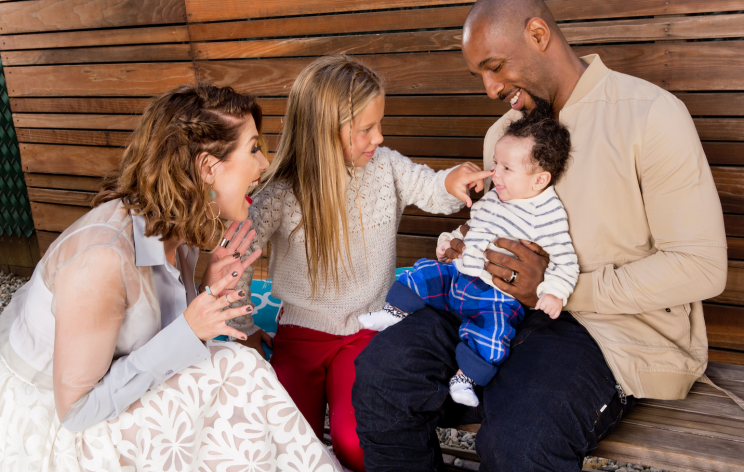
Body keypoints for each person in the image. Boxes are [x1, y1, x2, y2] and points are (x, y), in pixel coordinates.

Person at [352, 0, 728, 471]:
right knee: (383, 376)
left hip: (604, 331)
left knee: (520, 443)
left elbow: (700, 267)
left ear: (537, 34)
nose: (490, 89)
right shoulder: (503, 135)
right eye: (479, 75)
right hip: (492, 307)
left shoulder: (649, 115)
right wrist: (467, 249)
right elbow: (496, 226)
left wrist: (554, 290)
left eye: (494, 66)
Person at [0, 84, 341, 472]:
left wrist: (208, 290)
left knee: (235, 368)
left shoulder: (178, 229)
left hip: (111, 402)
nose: (264, 164)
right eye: (253, 148)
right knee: (237, 367)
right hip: (62, 437)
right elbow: (77, 411)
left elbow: (161, 340)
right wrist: (189, 330)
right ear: (207, 168)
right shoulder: (102, 260)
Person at [231, 55, 492, 471]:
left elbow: (428, 185)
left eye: (379, 125)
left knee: (360, 446)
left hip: (368, 331)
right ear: (323, 130)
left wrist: (450, 180)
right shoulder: (282, 191)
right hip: (301, 336)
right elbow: (237, 256)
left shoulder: (385, 166)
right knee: (292, 444)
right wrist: (245, 329)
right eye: (366, 128)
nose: (379, 136)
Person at [358, 112, 577, 408]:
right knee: (422, 273)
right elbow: (472, 229)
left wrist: (554, 292)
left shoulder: (547, 213)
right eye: (495, 164)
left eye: (506, 168)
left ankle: (465, 378)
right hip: (459, 276)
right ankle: (393, 311)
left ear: (539, 179)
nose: (494, 173)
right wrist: (448, 239)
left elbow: (566, 260)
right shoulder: (497, 196)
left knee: (493, 335)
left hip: (496, 297)